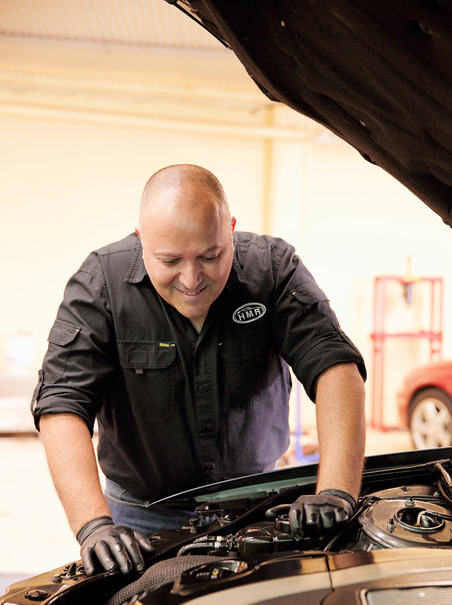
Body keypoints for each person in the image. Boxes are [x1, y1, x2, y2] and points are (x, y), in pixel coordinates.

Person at [32, 164, 366, 577]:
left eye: (210, 256)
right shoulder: (102, 282)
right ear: (141, 240)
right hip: (141, 518)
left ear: (231, 229)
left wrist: (335, 490)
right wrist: (94, 525)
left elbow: (334, 367)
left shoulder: (273, 269)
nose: (192, 280)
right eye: (170, 260)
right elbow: (63, 403)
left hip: (258, 506)